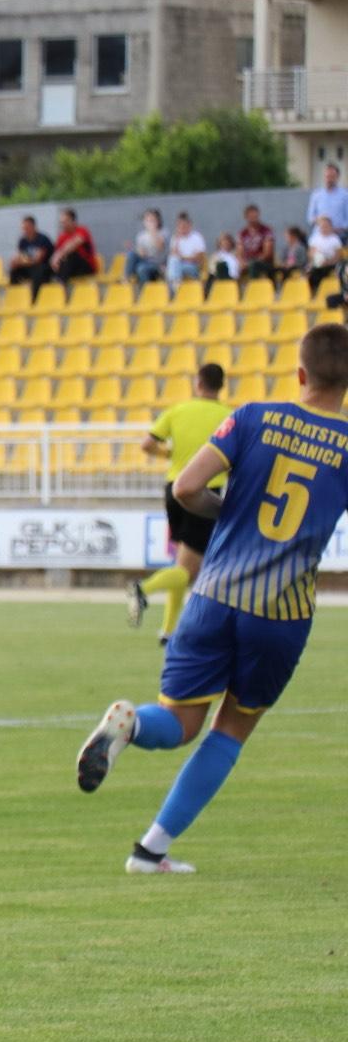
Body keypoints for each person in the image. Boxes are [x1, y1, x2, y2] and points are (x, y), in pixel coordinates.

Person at [76, 324, 348, 874]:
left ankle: (128, 727)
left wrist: (230, 514)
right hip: (282, 613)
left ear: (300, 373)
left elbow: (185, 488)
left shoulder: (251, 416)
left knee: (179, 722)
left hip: (216, 593)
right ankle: (151, 849)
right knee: (229, 731)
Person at [127, 364, 229, 647]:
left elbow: (147, 444)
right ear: (221, 386)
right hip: (204, 493)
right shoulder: (227, 417)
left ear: (198, 383)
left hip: (174, 488)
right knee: (189, 569)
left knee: (182, 563)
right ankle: (143, 589)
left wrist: (170, 454)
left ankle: (168, 631)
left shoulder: (178, 410)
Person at [50, 207, 100, 281]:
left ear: (73, 221)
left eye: (65, 221)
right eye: (61, 222)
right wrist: (54, 259)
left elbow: (73, 244)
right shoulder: (61, 237)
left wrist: (58, 256)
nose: (63, 224)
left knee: (71, 255)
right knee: (47, 265)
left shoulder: (82, 230)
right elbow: (56, 252)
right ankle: (57, 283)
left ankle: (61, 284)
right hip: (71, 268)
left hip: (87, 267)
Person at [8, 215, 54, 290]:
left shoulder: (43, 239)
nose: (24, 230)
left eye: (26, 227)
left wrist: (22, 261)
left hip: (44, 268)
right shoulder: (22, 241)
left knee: (38, 271)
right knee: (14, 271)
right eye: (23, 228)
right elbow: (19, 256)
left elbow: (38, 260)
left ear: (33, 226)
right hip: (29, 266)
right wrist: (15, 262)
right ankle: (15, 296)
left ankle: (34, 299)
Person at [165, 213, 207, 286]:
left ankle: (174, 287)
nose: (182, 228)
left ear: (189, 225)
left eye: (184, 226)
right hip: (179, 265)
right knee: (173, 261)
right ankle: (176, 284)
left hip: (194, 267)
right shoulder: (175, 238)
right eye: (179, 226)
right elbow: (173, 255)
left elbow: (199, 258)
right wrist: (177, 241)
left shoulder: (197, 237)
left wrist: (182, 258)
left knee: (173, 266)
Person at [306, 162, 348, 233]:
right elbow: (310, 218)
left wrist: (337, 229)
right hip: (319, 235)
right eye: (327, 176)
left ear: (337, 177)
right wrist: (322, 223)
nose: (329, 179)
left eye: (332, 176)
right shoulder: (316, 194)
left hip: (338, 235)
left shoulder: (345, 195)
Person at [238, 204, 276, 279]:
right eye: (251, 216)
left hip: (264, 264)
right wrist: (242, 262)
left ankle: (254, 287)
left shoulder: (266, 231)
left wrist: (250, 263)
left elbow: (267, 253)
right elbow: (239, 252)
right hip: (247, 263)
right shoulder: (243, 233)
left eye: (255, 216)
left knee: (254, 265)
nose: (253, 218)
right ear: (246, 217)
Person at [128, 209, 166, 283]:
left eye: (152, 220)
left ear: (157, 221)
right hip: (145, 260)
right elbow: (142, 254)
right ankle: (127, 278)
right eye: (147, 220)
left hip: (158, 263)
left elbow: (160, 248)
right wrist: (135, 249)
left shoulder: (163, 232)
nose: (149, 222)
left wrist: (153, 232)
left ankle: (145, 291)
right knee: (131, 254)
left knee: (141, 268)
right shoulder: (141, 235)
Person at [307, 215, 342, 286]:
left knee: (322, 271)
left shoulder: (335, 239)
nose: (324, 227)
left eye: (326, 225)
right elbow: (310, 254)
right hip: (317, 263)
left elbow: (338, 256)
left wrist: (328, 262)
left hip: (331, 264)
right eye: (322, 225)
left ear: (330, 226)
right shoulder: (314, 238)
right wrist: (315, 260)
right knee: (310, 272)